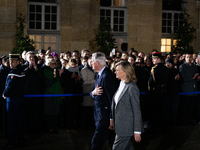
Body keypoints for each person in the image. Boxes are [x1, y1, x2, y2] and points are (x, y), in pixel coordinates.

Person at [109, 61, 143, 150]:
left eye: (117, 70)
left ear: (125, 72)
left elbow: (136, 110)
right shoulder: (121, 84)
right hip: (120, 126)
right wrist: (112, 119)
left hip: (126, 128)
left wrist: (137, 131)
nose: (115, 72)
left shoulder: (132, 87)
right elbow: (116, 105)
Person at [90, 52, 118, 150]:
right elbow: (93, 92)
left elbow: (112, 99)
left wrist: (111, 118)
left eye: (92, 61)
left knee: (97, 141)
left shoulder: (107, 76)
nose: (91, 63)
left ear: (97, 63)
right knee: (111, 141)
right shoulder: (99, 75)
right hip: (99, 113)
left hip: (105, 115)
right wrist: (93, 93)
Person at [2, 54, 26, 149]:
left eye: (13, 61)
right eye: (10, 62)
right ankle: (21, 141)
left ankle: (11, 143)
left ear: (17, 62)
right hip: (20, 99)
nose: (11, 63)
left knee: (12, 121)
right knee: (19, 121)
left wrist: (5, 94)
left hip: (12, 100)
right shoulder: (21, 71)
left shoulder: (14, 72)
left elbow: (9, 87)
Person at [149, 52, 170, 133]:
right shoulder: (166, 69)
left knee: (156, 112)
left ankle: (156, 129)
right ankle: (164, 128)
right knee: (164, 111)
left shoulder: (154, 69)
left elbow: (151, 83)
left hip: (156, 93)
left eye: (154, 58)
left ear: (159, 59)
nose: (153, 60)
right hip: (165, 92)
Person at [179, 52, 200, 125]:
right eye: (187, 57)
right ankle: (184, 120)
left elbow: (196, 75)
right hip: (186, 90)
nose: (189, 58)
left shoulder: (194, 66)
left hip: (194, 89)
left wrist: (197, 78)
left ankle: (189, 119)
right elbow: (183, 78)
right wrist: (193, 78)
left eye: (190, 57)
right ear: (185, 58)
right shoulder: (182, 66)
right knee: (185, 106)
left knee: (191, 106)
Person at [43, 58, 63, 133]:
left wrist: (60, 74)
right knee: (49, 112)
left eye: (54, 63)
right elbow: (48, 83)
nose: (53, 65)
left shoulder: (57, 71)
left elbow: (60, 82)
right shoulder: (46, 71)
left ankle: (53, 127)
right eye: (51, 63)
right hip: (49, 94)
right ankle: (49, 127)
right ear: (48, 64)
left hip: (56, 93)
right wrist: (54, 76)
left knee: (54, 111)